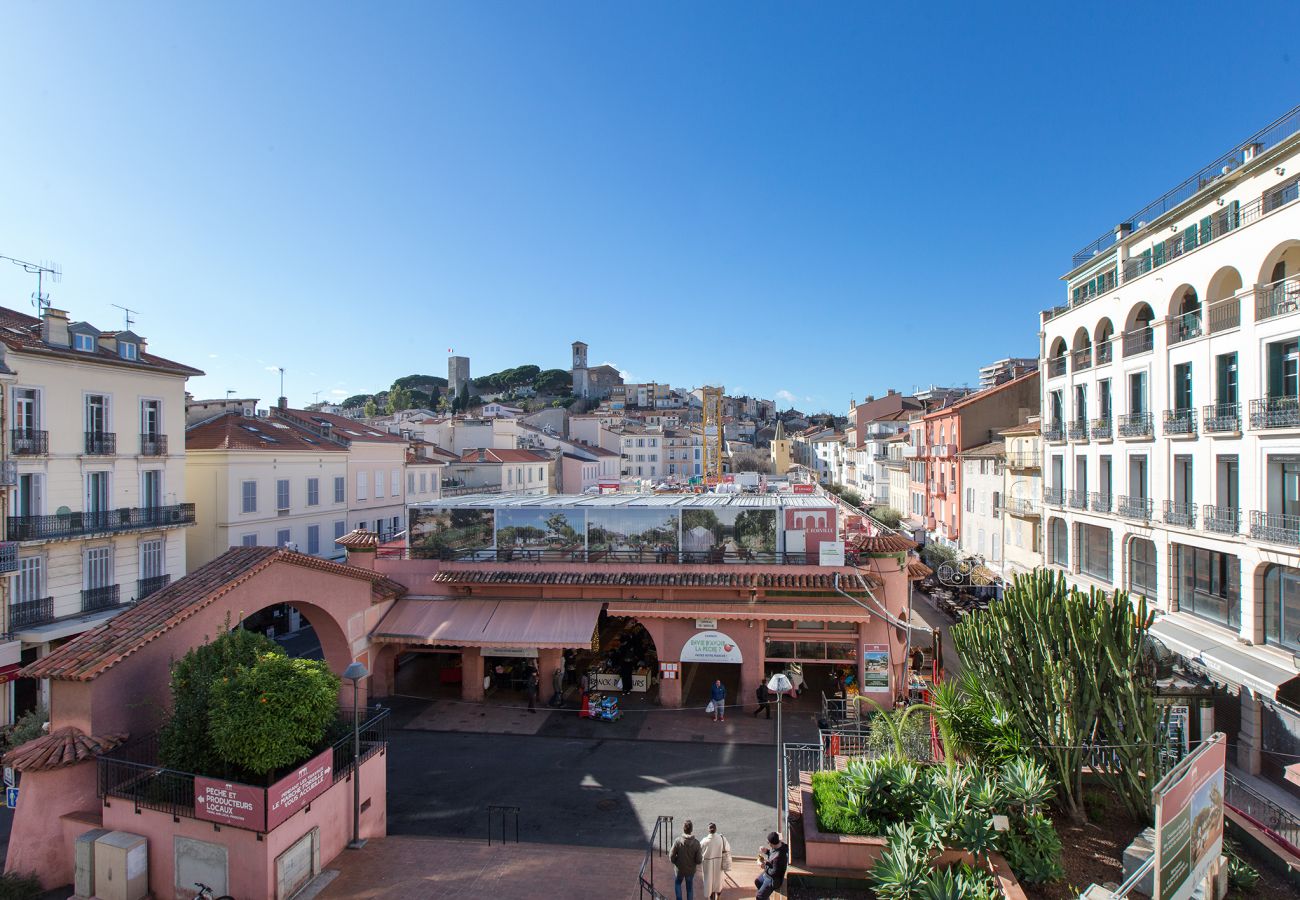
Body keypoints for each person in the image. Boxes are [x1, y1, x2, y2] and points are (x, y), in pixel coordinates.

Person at [670, 819, 703, 900]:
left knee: (678, 884)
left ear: (683, 829)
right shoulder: (696, 843)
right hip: (690, 870)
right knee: (689, 888)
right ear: (691, 829)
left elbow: (671, 856)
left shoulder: (678, 841)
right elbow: (699, 860)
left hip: (679, 869)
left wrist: (676, 862)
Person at [699, 822, 730, 900]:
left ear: (708, 830)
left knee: (709, 884)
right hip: (719, 864)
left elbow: (698, 851)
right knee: (718, 883)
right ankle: (718, 897)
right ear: (716, 829)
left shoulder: (704, 841)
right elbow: (728, 848)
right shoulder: (722, 838)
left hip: (708, 864)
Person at [754, 831, 788, 900]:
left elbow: (774, 873)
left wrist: (764, 866)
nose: (767, 844)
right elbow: (773, 854)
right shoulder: (779, 845)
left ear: (772, 844)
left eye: (768, 842)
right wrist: (766, 851)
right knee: (757, 882)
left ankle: (764, 895)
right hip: (770, 873)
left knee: (759, 897)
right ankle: (766, 896)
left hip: (774, 879)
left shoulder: (779, 857)